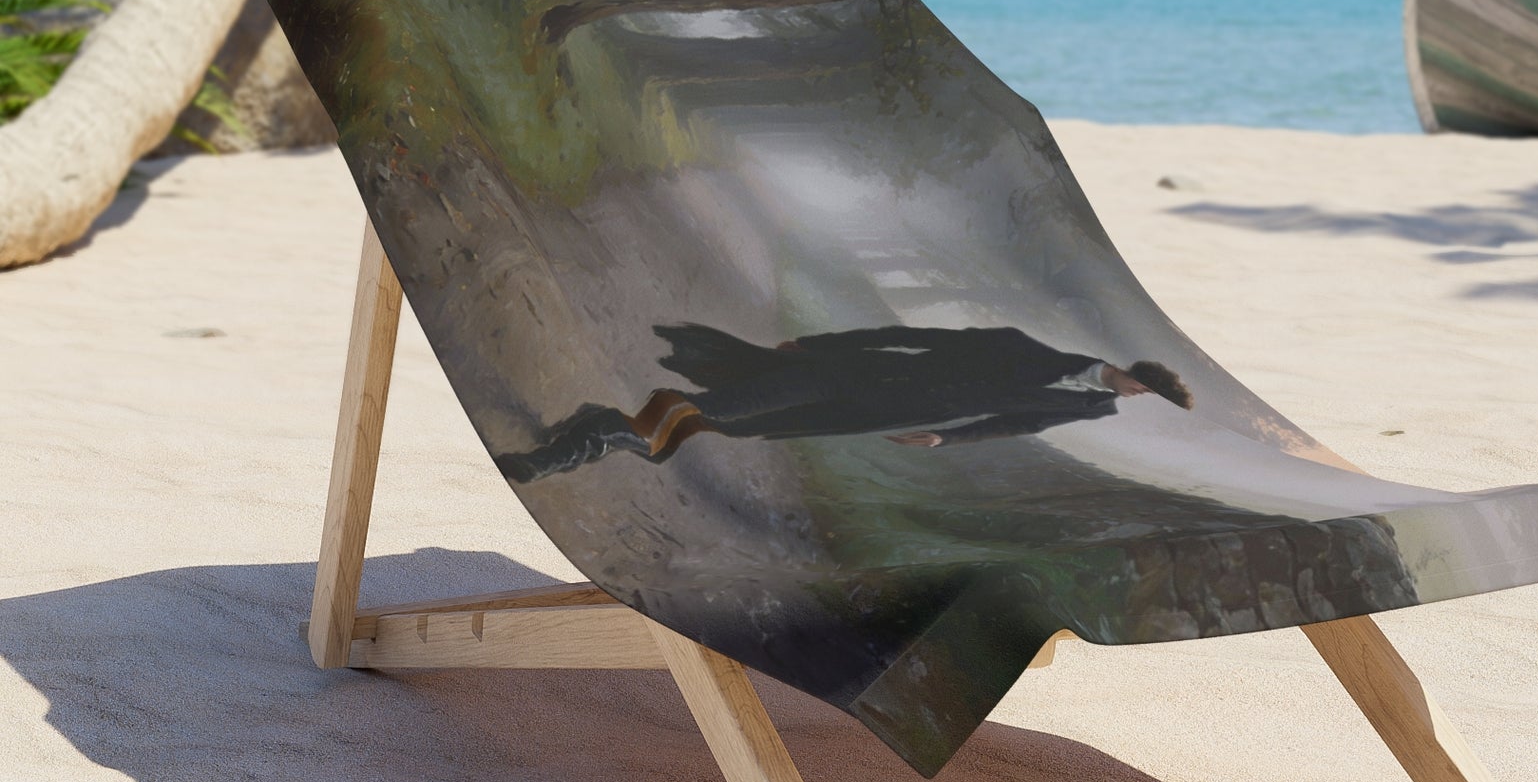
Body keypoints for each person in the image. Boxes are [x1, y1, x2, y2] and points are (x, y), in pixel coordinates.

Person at [495, 321, 1193, 484]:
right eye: (1146, 389)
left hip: (863, 411)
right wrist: (822, 341)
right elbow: (916, 336)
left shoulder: (1088, 410)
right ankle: (554, 455)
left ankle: (591, 428)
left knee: (719, 422)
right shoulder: (1024, 345)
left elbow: (1010, 423)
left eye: (1149, 400)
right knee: (696, 421)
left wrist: (944, 441)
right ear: (1136, 373)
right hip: (848, 372)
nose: (1139, 399)